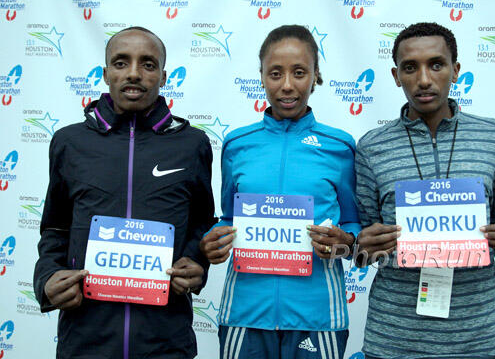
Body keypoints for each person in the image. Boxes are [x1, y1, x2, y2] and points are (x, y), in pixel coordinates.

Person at [33, 26, 216, 359]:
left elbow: (203, 224)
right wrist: (46, 278)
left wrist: (196, 262)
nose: (134, 73)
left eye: (148, 64)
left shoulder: (192, 145)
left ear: (163, 76)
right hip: (86, 340)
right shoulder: (69, 143)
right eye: (121, 63)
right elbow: (55, 228)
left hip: (165, 342)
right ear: (105, 74)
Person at [354, 22, 495, 359]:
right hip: (394, 342)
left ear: (455, 70)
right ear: (396, 76)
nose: (424, 79)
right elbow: (363, 251)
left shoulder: (493, 137)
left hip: (477, 341)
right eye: (410, 67)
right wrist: (362, 247)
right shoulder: (371, 147)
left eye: (436, 64)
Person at [199, 25, 359, 359]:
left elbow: (354, 225)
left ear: (315, 76)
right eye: (275, 73)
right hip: (245, 314)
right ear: (261, 77)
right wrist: (214, 240)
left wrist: (345, 241)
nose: (287, 85)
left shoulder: (340, 146)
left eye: (299, 72)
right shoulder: (237, 144)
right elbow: (229, 217)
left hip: (317, 317)